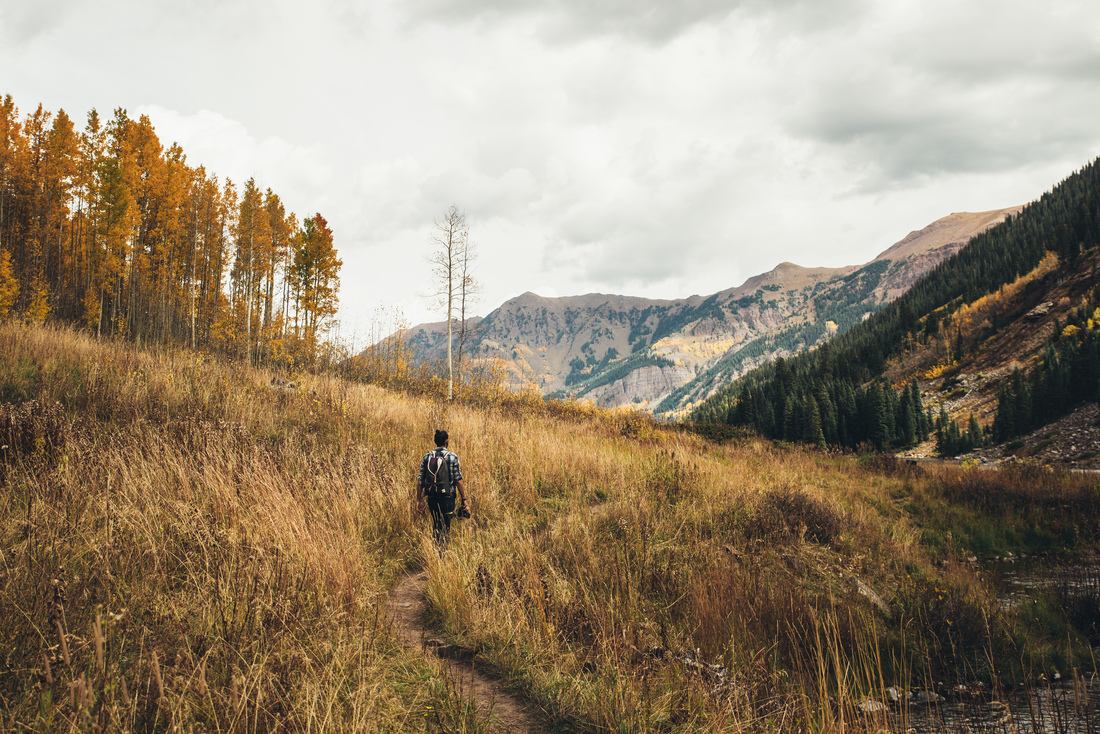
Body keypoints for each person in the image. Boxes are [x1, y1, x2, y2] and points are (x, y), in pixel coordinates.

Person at [418, 429, 468, 546]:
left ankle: (436, 547)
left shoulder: (427, 457)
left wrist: (419, 499)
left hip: (432, 496)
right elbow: (458, 479)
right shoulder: (452, 457)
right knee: (446, 524)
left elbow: (420, 480)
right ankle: (443, 552)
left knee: (436, 523)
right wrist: (464, 499)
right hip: (448, 497)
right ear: (447, 442)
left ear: (435, 442)